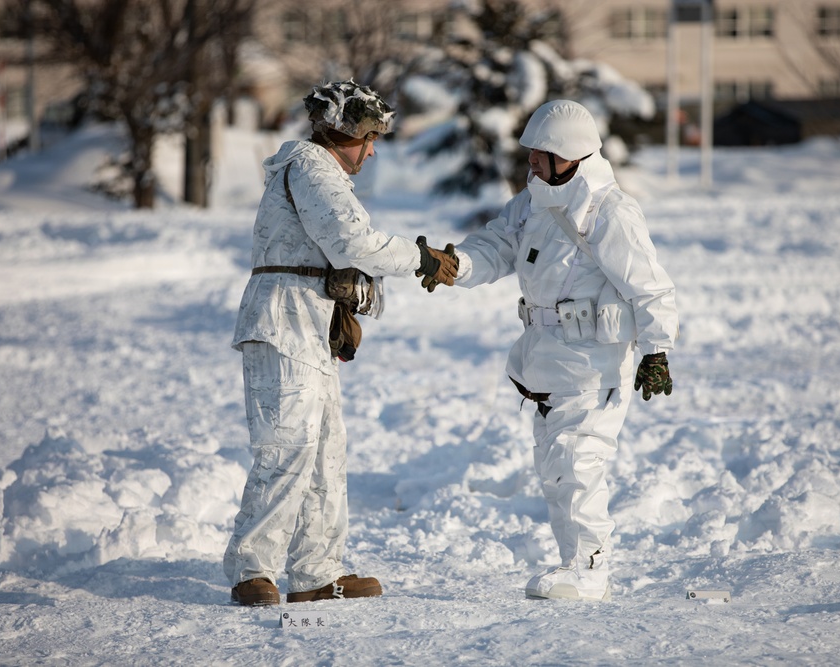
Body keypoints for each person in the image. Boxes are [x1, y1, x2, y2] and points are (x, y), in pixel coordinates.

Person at [429, 100, 678, 601]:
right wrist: (454, 264)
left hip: (595, 363)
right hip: (547, 360)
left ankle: (591, 566)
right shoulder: (532, 203)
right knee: (555, 469)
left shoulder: (610, 212)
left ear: (572, 156)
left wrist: (656, 351)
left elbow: (651, 287)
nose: (532, 163)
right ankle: (576, 563)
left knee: (578, 463)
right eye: (530, 154)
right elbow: (495, 246)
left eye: (542, 154)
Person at [223, 80, 458, 606]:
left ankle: (315, 572)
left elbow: (340, 257)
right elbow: (352, 242)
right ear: (342, 130)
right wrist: (420, 258)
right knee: (286, 448)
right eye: (369, 137)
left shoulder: (322, 173)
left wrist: (356, 295)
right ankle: (251, 569)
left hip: (309, 325)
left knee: (326, 451)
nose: (373, 150)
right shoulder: (310, 167)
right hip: (282, 322)